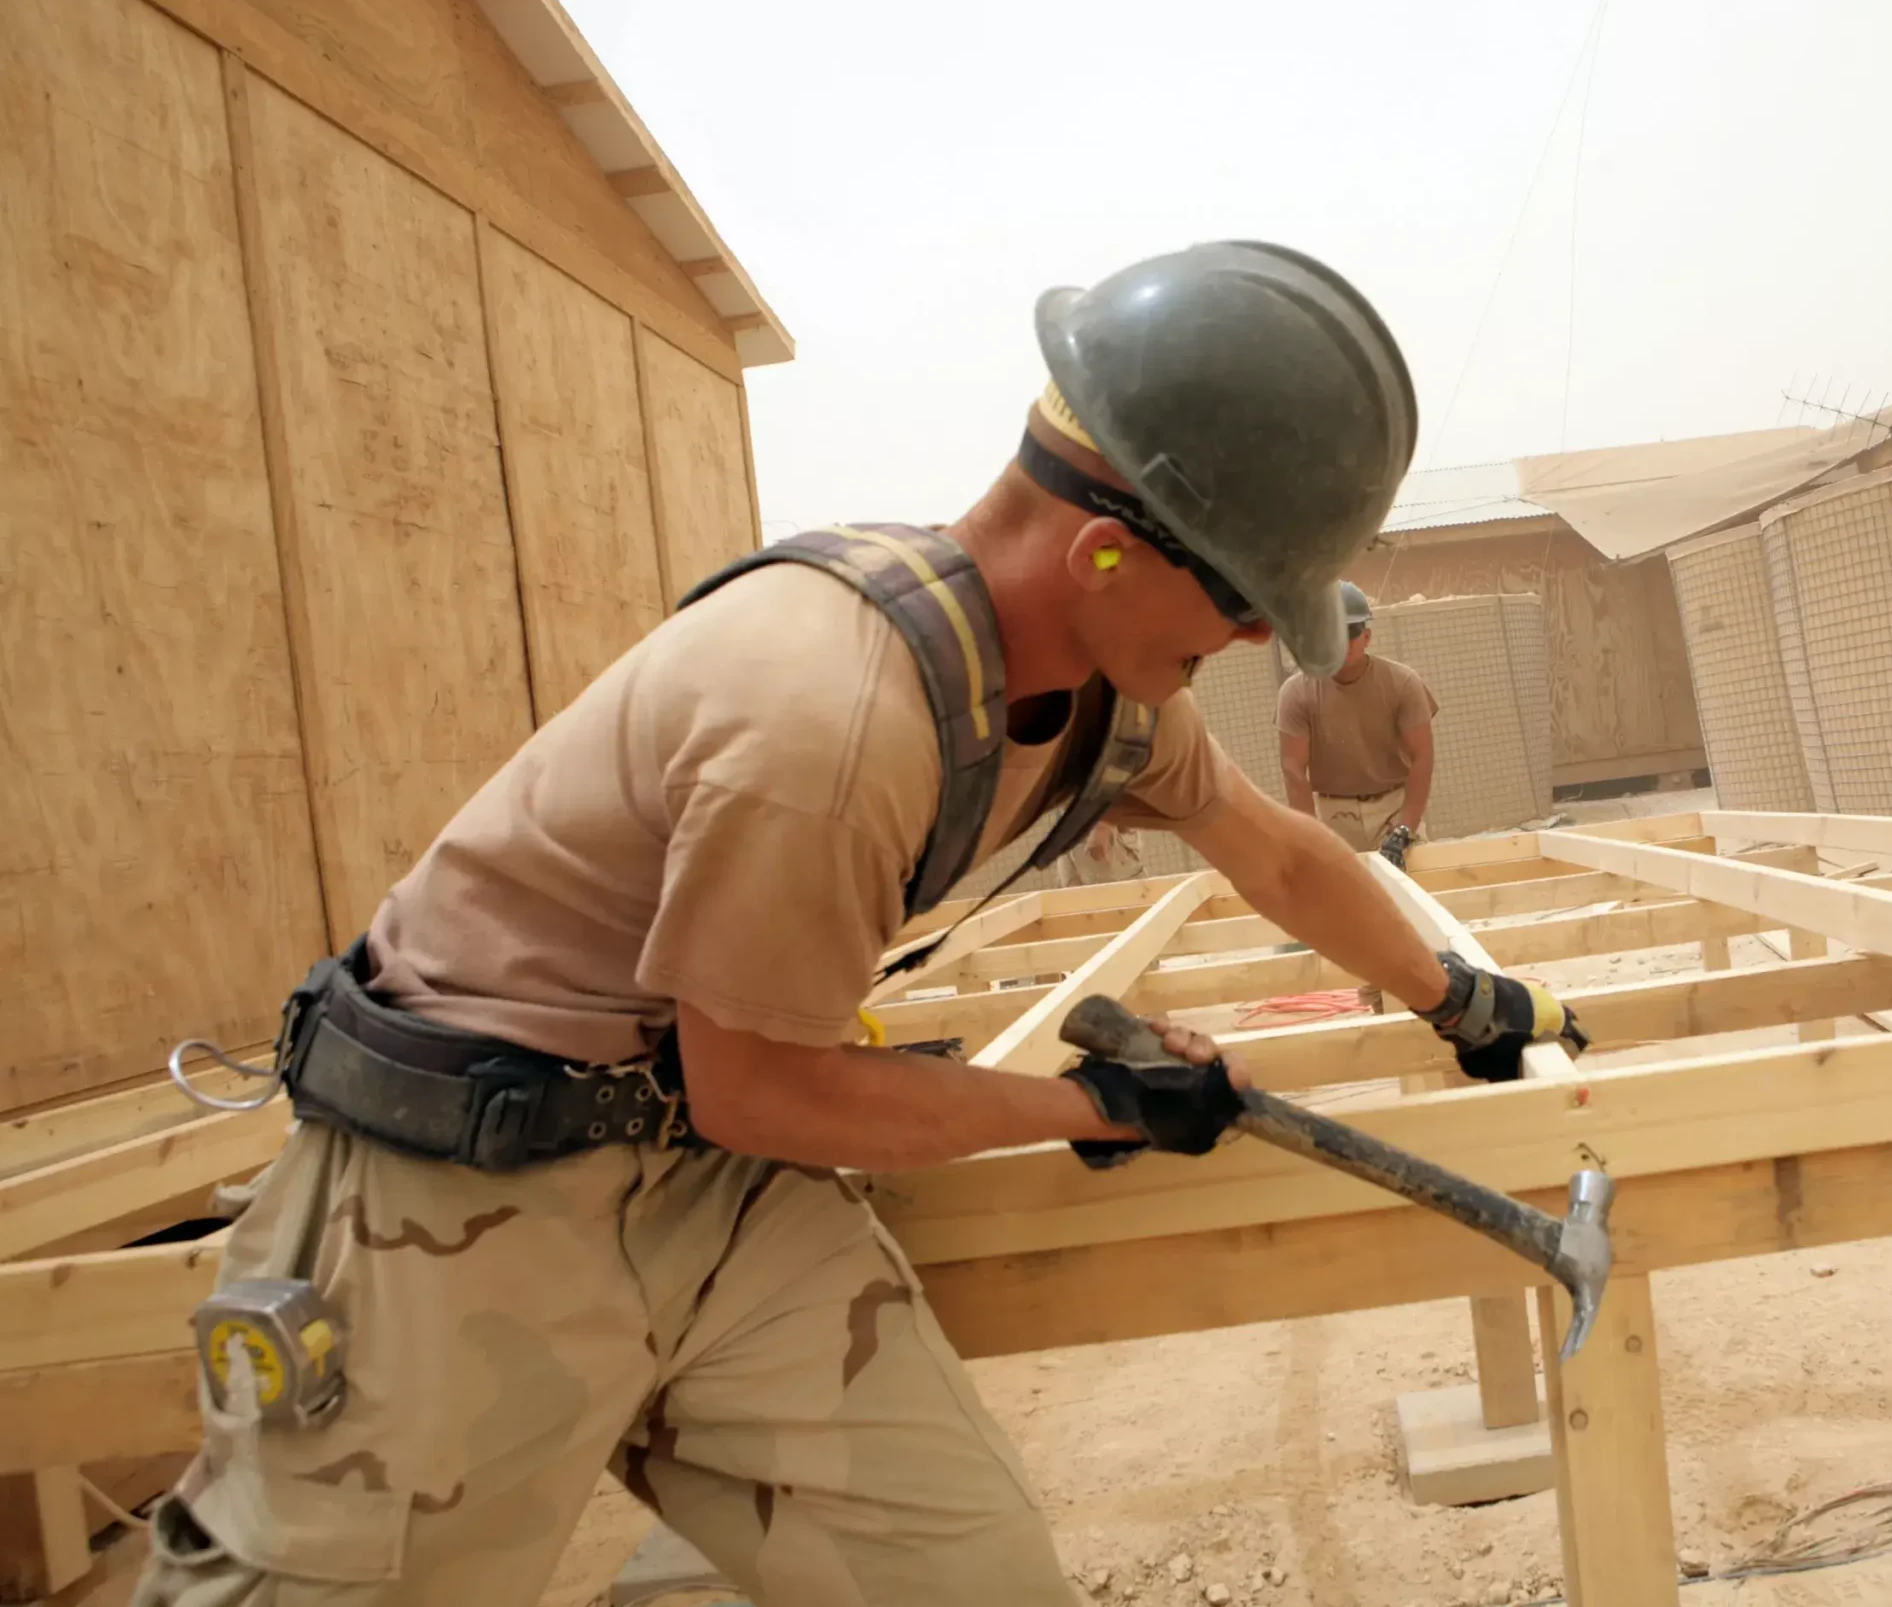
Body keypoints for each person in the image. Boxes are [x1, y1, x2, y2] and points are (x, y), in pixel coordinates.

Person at [136, 241, 1586, 1607]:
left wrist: (1456, 996)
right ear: (1100, 551)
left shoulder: (1102, 699)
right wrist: (1090, 1100)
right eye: (1240, 595)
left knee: (973, 1577)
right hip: (457, 1210)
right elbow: (764, 1085)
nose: (1264, 638)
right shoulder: (827, 721)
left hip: (708, 1177)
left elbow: (1276, 853)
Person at [1276, 581, 1437, 866]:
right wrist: (1313, 838)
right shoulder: (1297, 692)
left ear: (1367, 637)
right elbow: (1293, 769)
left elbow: (1422, 757)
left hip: (1393, 808)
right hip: (1334, 814)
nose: (1340, 642)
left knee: (1411, 897)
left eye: (1349, 632)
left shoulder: (1402, 683)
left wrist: (1404, 829)